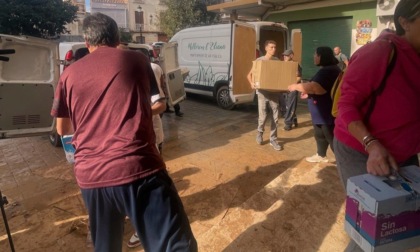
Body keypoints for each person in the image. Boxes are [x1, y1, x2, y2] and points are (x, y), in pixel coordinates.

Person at [50, 13, 197, 252]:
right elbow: (152, 101)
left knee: (106, 247)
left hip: (91, 177)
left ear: (87, 42)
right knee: (175, 245)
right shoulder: (136, 61)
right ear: (117, 38)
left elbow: (62, 128)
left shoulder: (68, 76)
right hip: (138, 168)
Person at [333, 1, 420, 250]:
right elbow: (345, 107)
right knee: (375, 230)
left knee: (407, 226)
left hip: (404, 155)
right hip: (361, 150)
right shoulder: (381, 52)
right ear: (405, 23)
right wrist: (372, 145)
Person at [127, 61, 167, 248]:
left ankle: (144, 229)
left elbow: (160, 104)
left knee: (147, 185)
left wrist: (134, 116)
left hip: (148, 138)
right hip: (131, 142)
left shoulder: (146, 69)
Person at [288, 47, 341, 163]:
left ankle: (343, 162)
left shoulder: (327, 71)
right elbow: (320, 88)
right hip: (320, 111)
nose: (314, 57)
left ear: (322, 57)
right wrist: (309, 94)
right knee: (319, 134)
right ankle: (321, 155)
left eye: (316, 54)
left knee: (331, 137)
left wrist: (295, 87)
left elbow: (316, 87)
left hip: (325, 111)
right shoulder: (329, 69)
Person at [247, 40, 283, 151]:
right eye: (271, 47)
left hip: (274, 93)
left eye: (275, 47)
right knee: (262, 116)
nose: (274, 49)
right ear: (266, 48)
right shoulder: (259, 60)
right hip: (262, 92)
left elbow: (280, 76)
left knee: (275, 117)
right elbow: (249, 75)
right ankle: (260, 132)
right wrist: (252, 83)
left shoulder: (277, 61)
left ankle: (273, 139)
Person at [282, 49, 302, 131]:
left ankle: (288, 124)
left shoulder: (295, 65)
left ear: (291, 55)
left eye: (286, 55)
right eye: (284, 55)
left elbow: (299, 77)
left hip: (293, 88)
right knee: (287, 105)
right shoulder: (283, 65)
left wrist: (292, 85)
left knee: (290, 105)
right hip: (285, 88)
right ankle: (294, 119)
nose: (284, 57)